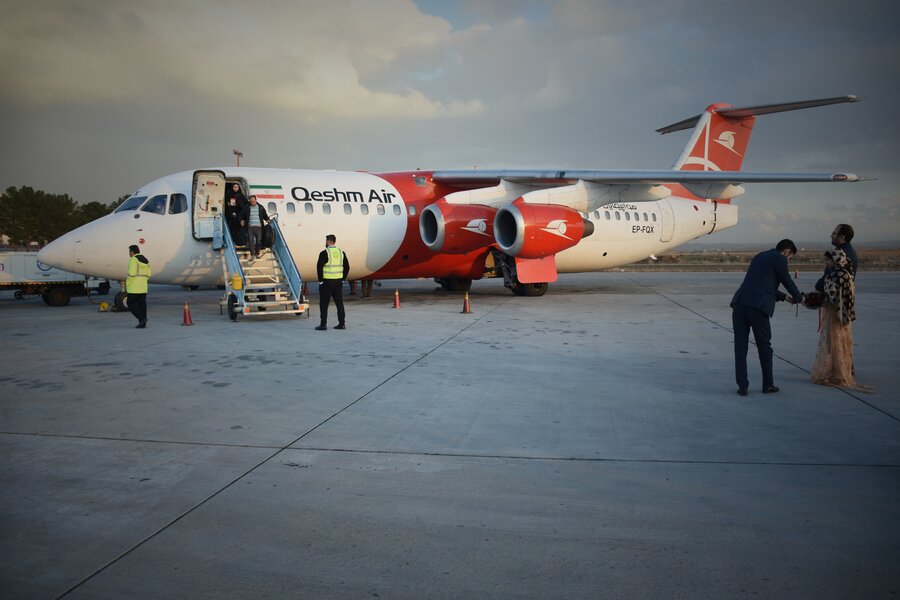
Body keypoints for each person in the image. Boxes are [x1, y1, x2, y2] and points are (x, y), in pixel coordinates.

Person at [730, 239, 804, 396]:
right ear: (787, 252)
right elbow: (787, 281)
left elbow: (761, 284)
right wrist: (800, 298)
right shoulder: (780, 259)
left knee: (740, 347)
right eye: (790, 259)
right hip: (757, 307)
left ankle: (742, 386)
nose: (788, 262)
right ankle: (768, 385)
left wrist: (784, 297)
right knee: (764, 346)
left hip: (740, 303)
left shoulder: (760, 256)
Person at [810, 249, 871, 391]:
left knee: (832, 341)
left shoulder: (835, 274)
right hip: (844, 315)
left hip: (834, 313)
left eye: (827, 260)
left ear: (835, 260)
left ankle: (834, 372)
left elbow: (826, 290)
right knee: (841, 341)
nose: (825, 263)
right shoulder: (847, 273)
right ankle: (840, 370)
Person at [315, 234, 349, 330]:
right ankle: (342, 324)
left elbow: (319, 268)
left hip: (327, 282)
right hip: (338, 282)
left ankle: (323, 324)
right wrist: (342, 278)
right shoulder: (341, 252)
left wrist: (320, 281)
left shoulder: (324, 253)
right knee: (339, 303)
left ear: (328, 241)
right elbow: (347, 267)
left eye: (326, 241)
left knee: (324, 303)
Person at [126, 244, 152, 328]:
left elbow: (132, 273)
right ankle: (142, 323)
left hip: (134, 287)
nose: (129, 253)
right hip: (143, 286)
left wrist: (128, 281)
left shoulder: (133, 259)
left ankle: (142, 318)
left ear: (132, 252)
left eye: (129, 252)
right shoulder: (145, 260)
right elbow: (149, 274)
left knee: (130, 303)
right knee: (142, 305)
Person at [244, 195, 270, 262]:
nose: (252, 202)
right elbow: (242, 214)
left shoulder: (260, 207)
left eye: (253, 201)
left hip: (259, 228)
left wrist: (267, 219)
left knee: (258, 242)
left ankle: (257, 253)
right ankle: (252, 255)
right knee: (251, 241)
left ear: (256, 200)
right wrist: (241, 220)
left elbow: (265, 215)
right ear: (249, 201)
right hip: (250, 227)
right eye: (251, 201)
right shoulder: (247, 208)